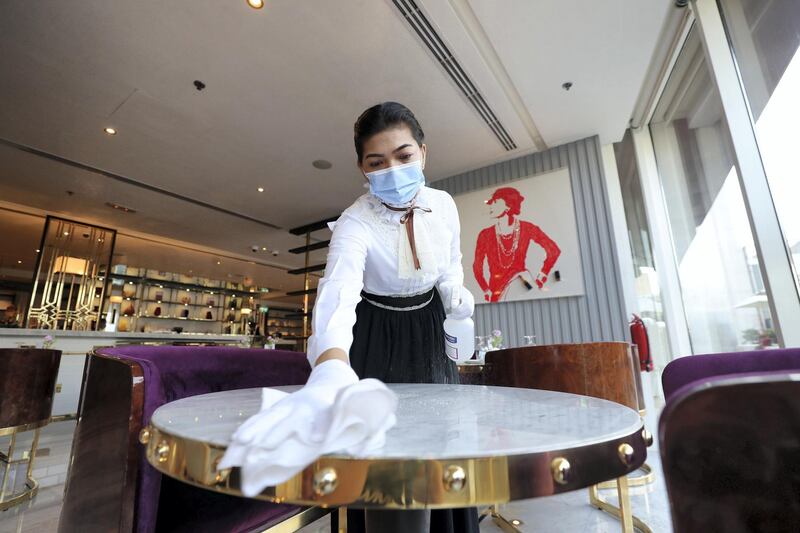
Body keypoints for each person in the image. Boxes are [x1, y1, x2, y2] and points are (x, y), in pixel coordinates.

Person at [306, 102, 478, 533]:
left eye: (404, 156)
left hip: (429, 329)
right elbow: (340, 290)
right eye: (377, 163)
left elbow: (451, 262)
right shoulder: (354, 222)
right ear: (363, 169)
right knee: (385, 467)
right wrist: (330, 360)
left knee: (441, 453)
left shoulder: (444, 205)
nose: (393, 170)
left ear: (423, 153)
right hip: (374, 333)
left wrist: (454, 291)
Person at [472, 186, 561, 302]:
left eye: (495, 202)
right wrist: (485, 289)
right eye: (491, 202)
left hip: (521, 286)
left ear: (508, 206)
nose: (491, 206)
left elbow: (553, 250)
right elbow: (477, 268)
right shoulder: (485, 235)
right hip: (498, 293)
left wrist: (543, 274)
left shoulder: (527, 228)